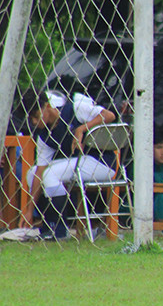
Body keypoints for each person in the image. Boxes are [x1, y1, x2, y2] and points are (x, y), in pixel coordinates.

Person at [24, 90, 117, 240]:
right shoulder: (44, 136)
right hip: (79, 164)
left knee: (51, 174)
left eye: (36, 116)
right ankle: (50, 226)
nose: (34, 122)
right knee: (32, 173)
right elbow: (39, 171)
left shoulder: (74, 108)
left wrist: (81, 129)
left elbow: (109, 115)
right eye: (31, 119)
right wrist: (29, 210)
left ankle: (60, 231)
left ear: (47, 106)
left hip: (101, 161)